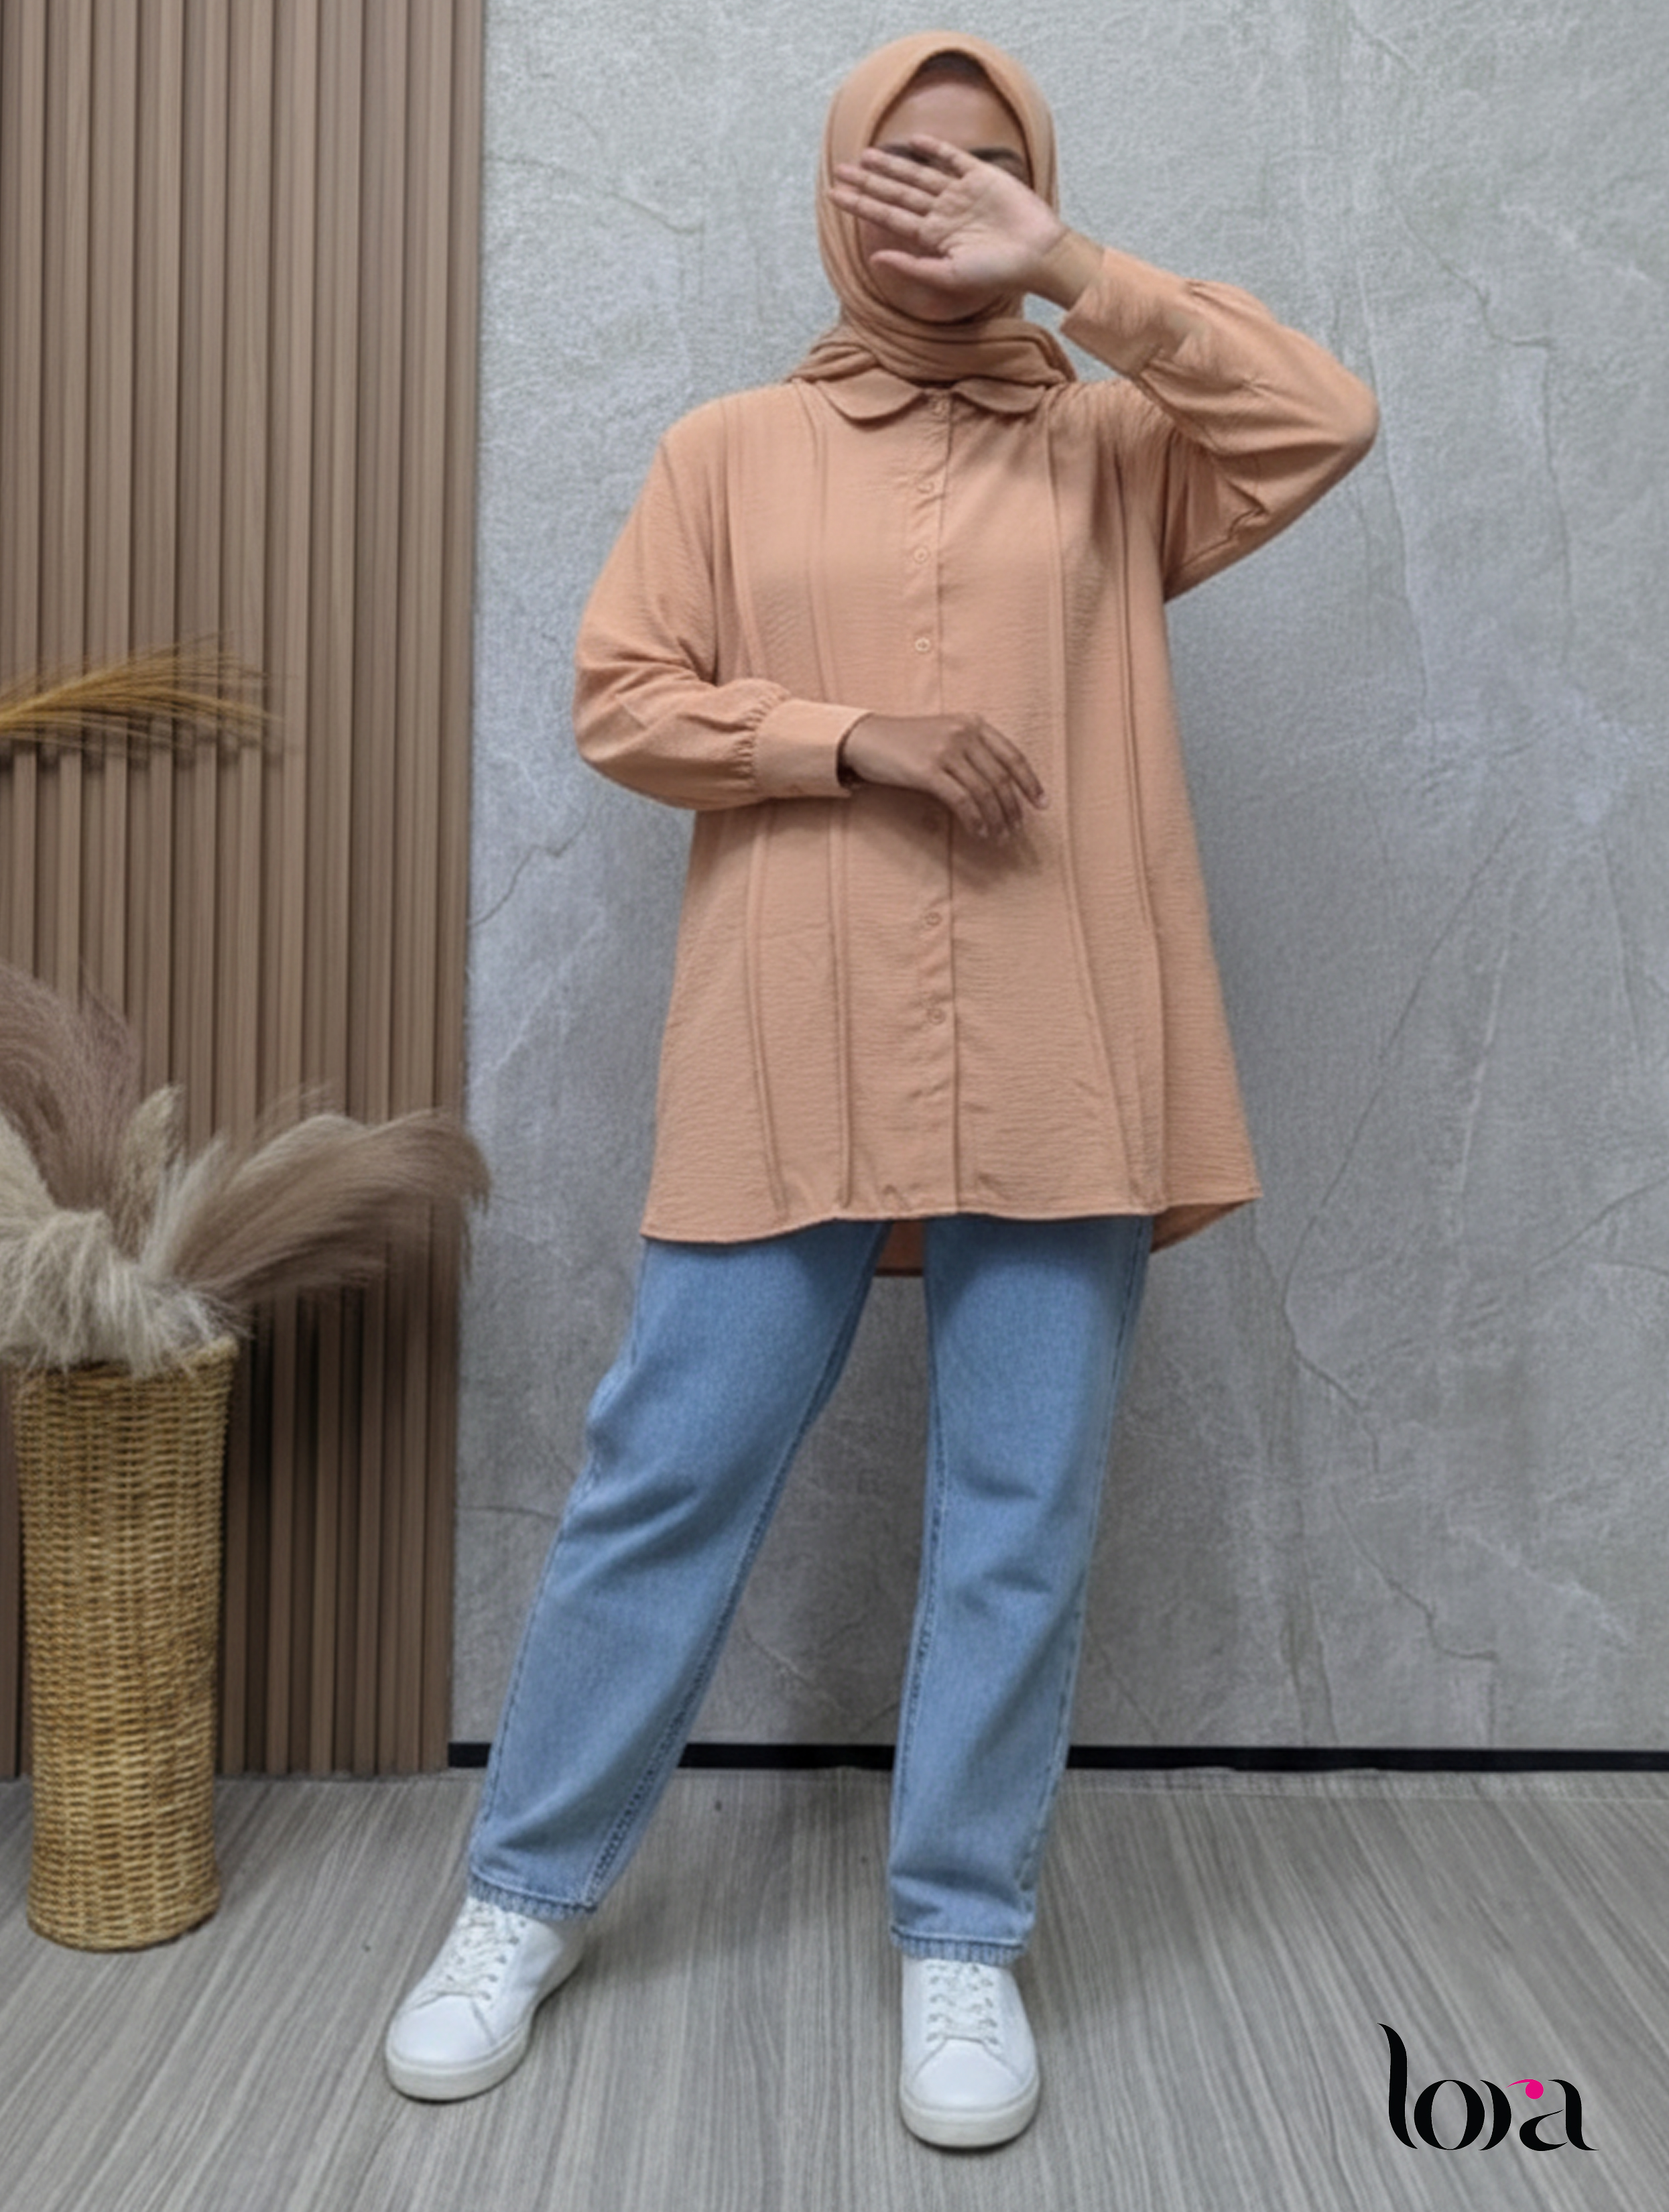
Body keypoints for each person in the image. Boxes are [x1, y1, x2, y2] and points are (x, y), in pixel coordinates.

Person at [385, 31, 1376, 2150]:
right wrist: (847, 737)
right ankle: (521, 1896)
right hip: (790, 1033)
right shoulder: (728, 450)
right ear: (833, 186)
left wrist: (1073, 268)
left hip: (1061, 1038)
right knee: (667, 1470)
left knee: (1021, 1502)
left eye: (985, 165)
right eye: (900, 163)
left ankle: (959, 1932)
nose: (940, 194)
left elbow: (1321, 416)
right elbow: (623, 699)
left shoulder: (1115, 446)